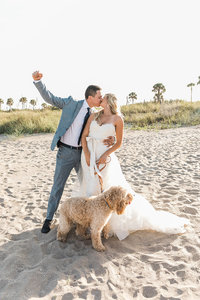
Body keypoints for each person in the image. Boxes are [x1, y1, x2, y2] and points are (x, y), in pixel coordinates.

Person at [79, 93, 190, 240]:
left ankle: (105, 224)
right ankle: (90, 221)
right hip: (88, 156)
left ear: (110, 101)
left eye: (103, 98)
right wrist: (86, 154)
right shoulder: (94, 115)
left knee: (105, 188)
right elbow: (84, 135)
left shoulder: (118, 119)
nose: (101, 99)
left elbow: (118, 143)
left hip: (105, 158)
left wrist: (106, 154)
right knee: (89, 188)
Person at [32, 71, 114, 233]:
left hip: (84, 155)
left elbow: (101, 131)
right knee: (58, 186)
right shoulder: (71, 104)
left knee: (88, 184)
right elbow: (50, 98)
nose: (101, 99)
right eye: (99, 96)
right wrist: (39, 82)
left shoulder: (95, 115)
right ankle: (48, 219)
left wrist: (110, 139)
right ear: (90, 97)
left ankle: (85, 219)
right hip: (66, 153)